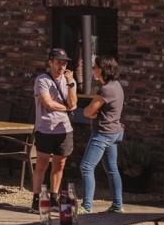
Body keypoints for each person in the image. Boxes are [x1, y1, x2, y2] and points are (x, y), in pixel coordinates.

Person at [30, 48, 79, 211]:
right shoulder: (42, 80)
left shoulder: (70, 81)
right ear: (50, 62)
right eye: (58, 62)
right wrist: (68, 108)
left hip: (64, 129)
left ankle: (53, 198)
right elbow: (48, 103)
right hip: (45, 128)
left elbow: (73, 102)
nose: (62, 66)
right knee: (42, 164)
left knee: (59, 165)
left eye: (64, 63)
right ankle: (36, 199)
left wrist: (71, 84)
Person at [79, 56, 125, 214]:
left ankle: (86, 207)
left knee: (86, 167)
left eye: (95, 67)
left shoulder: (106, 90)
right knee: (112, 169)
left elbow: (88, 111)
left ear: (102, 69)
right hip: (114, 132)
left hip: (103, 133)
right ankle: (117, 205)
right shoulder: (117, 86)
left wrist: (91, 113)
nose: (93, 70)